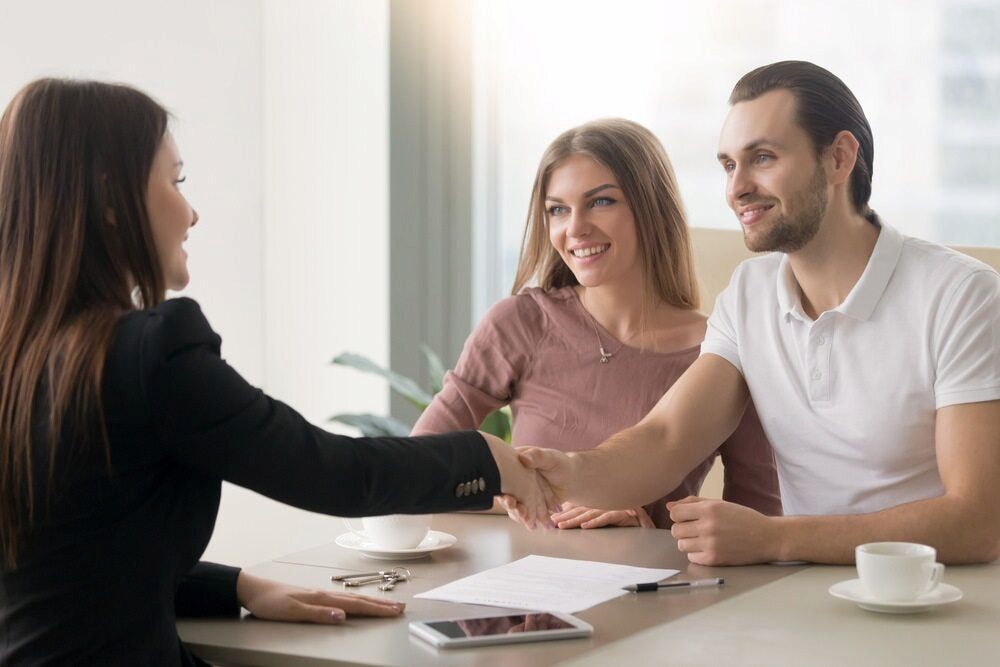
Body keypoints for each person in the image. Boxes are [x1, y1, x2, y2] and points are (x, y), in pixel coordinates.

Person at [0, 78, 552, 666]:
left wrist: (238, 586)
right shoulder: (147, 356)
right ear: (111, 200)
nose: (191, 211)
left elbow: (65, 558)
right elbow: (333, 472)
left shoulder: (23, 357)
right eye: (175, 180)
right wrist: (486, 460)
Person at [511, 61, 1000, 566]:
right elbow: (665, 438)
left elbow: (978, 521)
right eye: (728, 165)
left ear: (838, 158)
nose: (737, 188)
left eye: (762, 158)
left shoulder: (962, 295)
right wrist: (566, 472)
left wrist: (776, 539)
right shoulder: (749, 295)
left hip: (938, 609)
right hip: (801, 604)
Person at [413, 118, 780, 529]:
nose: (575, 228)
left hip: (652, 585)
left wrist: (648, 522)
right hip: (522, 580)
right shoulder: (520, 323)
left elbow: (757, 523)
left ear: (650, 206)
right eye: (557, 210)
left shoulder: (722, 351)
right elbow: (416, 470)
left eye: (601, 202)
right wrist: (540, 502)